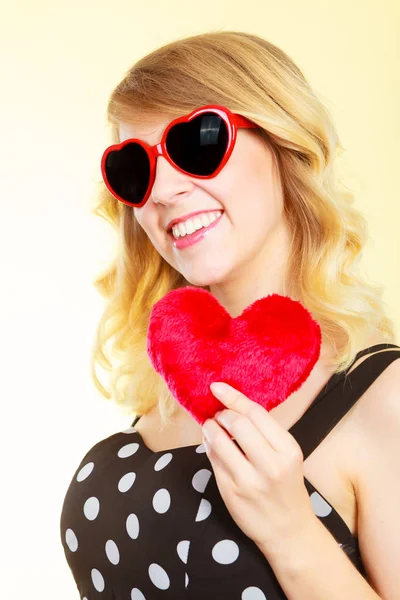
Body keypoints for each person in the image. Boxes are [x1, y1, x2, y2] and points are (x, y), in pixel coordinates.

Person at [60, 31, 400, 599]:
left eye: (198, 141)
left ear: (283, 143)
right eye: (135, 169)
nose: (163, 191)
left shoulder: (383, 398)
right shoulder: (166, 382)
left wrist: (292, 531)